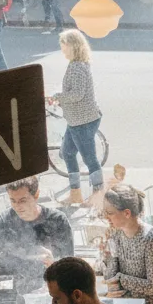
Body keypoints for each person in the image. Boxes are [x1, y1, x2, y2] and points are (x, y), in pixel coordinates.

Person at [0, 176, 76, 291]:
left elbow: (70, 265)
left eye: (23, 200)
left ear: (36, 195)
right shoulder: (1, 222)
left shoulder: (57, 221)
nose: (17, 206)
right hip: (11, 289)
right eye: (13, 200)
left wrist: (54, 264)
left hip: (47, 288)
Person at [46, 29, 103, 205]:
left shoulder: (77, 67)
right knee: (67, 153)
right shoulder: (78, 64)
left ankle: (98, 196)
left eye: (64, 45)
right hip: (77, 120)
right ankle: (76, 193)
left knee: (90, 159)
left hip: (82, 121)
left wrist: (58, 97)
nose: (62, 49)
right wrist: (60, 98)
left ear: (73, 46)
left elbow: (77, 94)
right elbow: (77, 95)